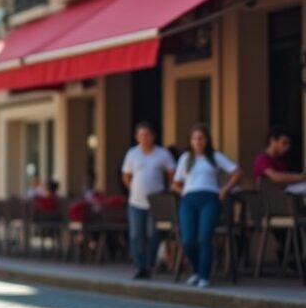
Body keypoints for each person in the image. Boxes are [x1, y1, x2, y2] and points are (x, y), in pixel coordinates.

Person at [172, 124, 241, 288]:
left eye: (201, 138)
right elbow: (175, 183)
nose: (198, 141)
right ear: (191, 141)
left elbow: (237, 171)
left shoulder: (215, 156)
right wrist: (184, 192)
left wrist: (225, 189)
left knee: (204, 238)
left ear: (207, 140)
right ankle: (196, 270)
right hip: (189, 199)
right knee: (188, 239)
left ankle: (204, 275)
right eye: (195, 138)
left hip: (209, 198)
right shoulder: (185, 158)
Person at [121, 121, 175, 279]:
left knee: (154, 233)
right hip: (136, 201)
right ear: (137, 137)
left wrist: (167, 190)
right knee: (136, 234)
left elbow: (172, 172)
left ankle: (150, 263)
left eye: (147, 135)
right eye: (141, 135)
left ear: (153, 136)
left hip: (156, 201)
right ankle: (140, 266)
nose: (144, 138)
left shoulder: (162, 153)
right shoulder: (132, 154)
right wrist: (132, 187)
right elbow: (126, 175)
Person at [253, 128, 306, 195]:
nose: (287, 147)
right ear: (272, 140)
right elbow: (275, 177)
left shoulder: (280, 161)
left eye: (289, 144)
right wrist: (301, 177)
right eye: (284, 143)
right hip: (271, 199)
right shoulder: (262, 159)